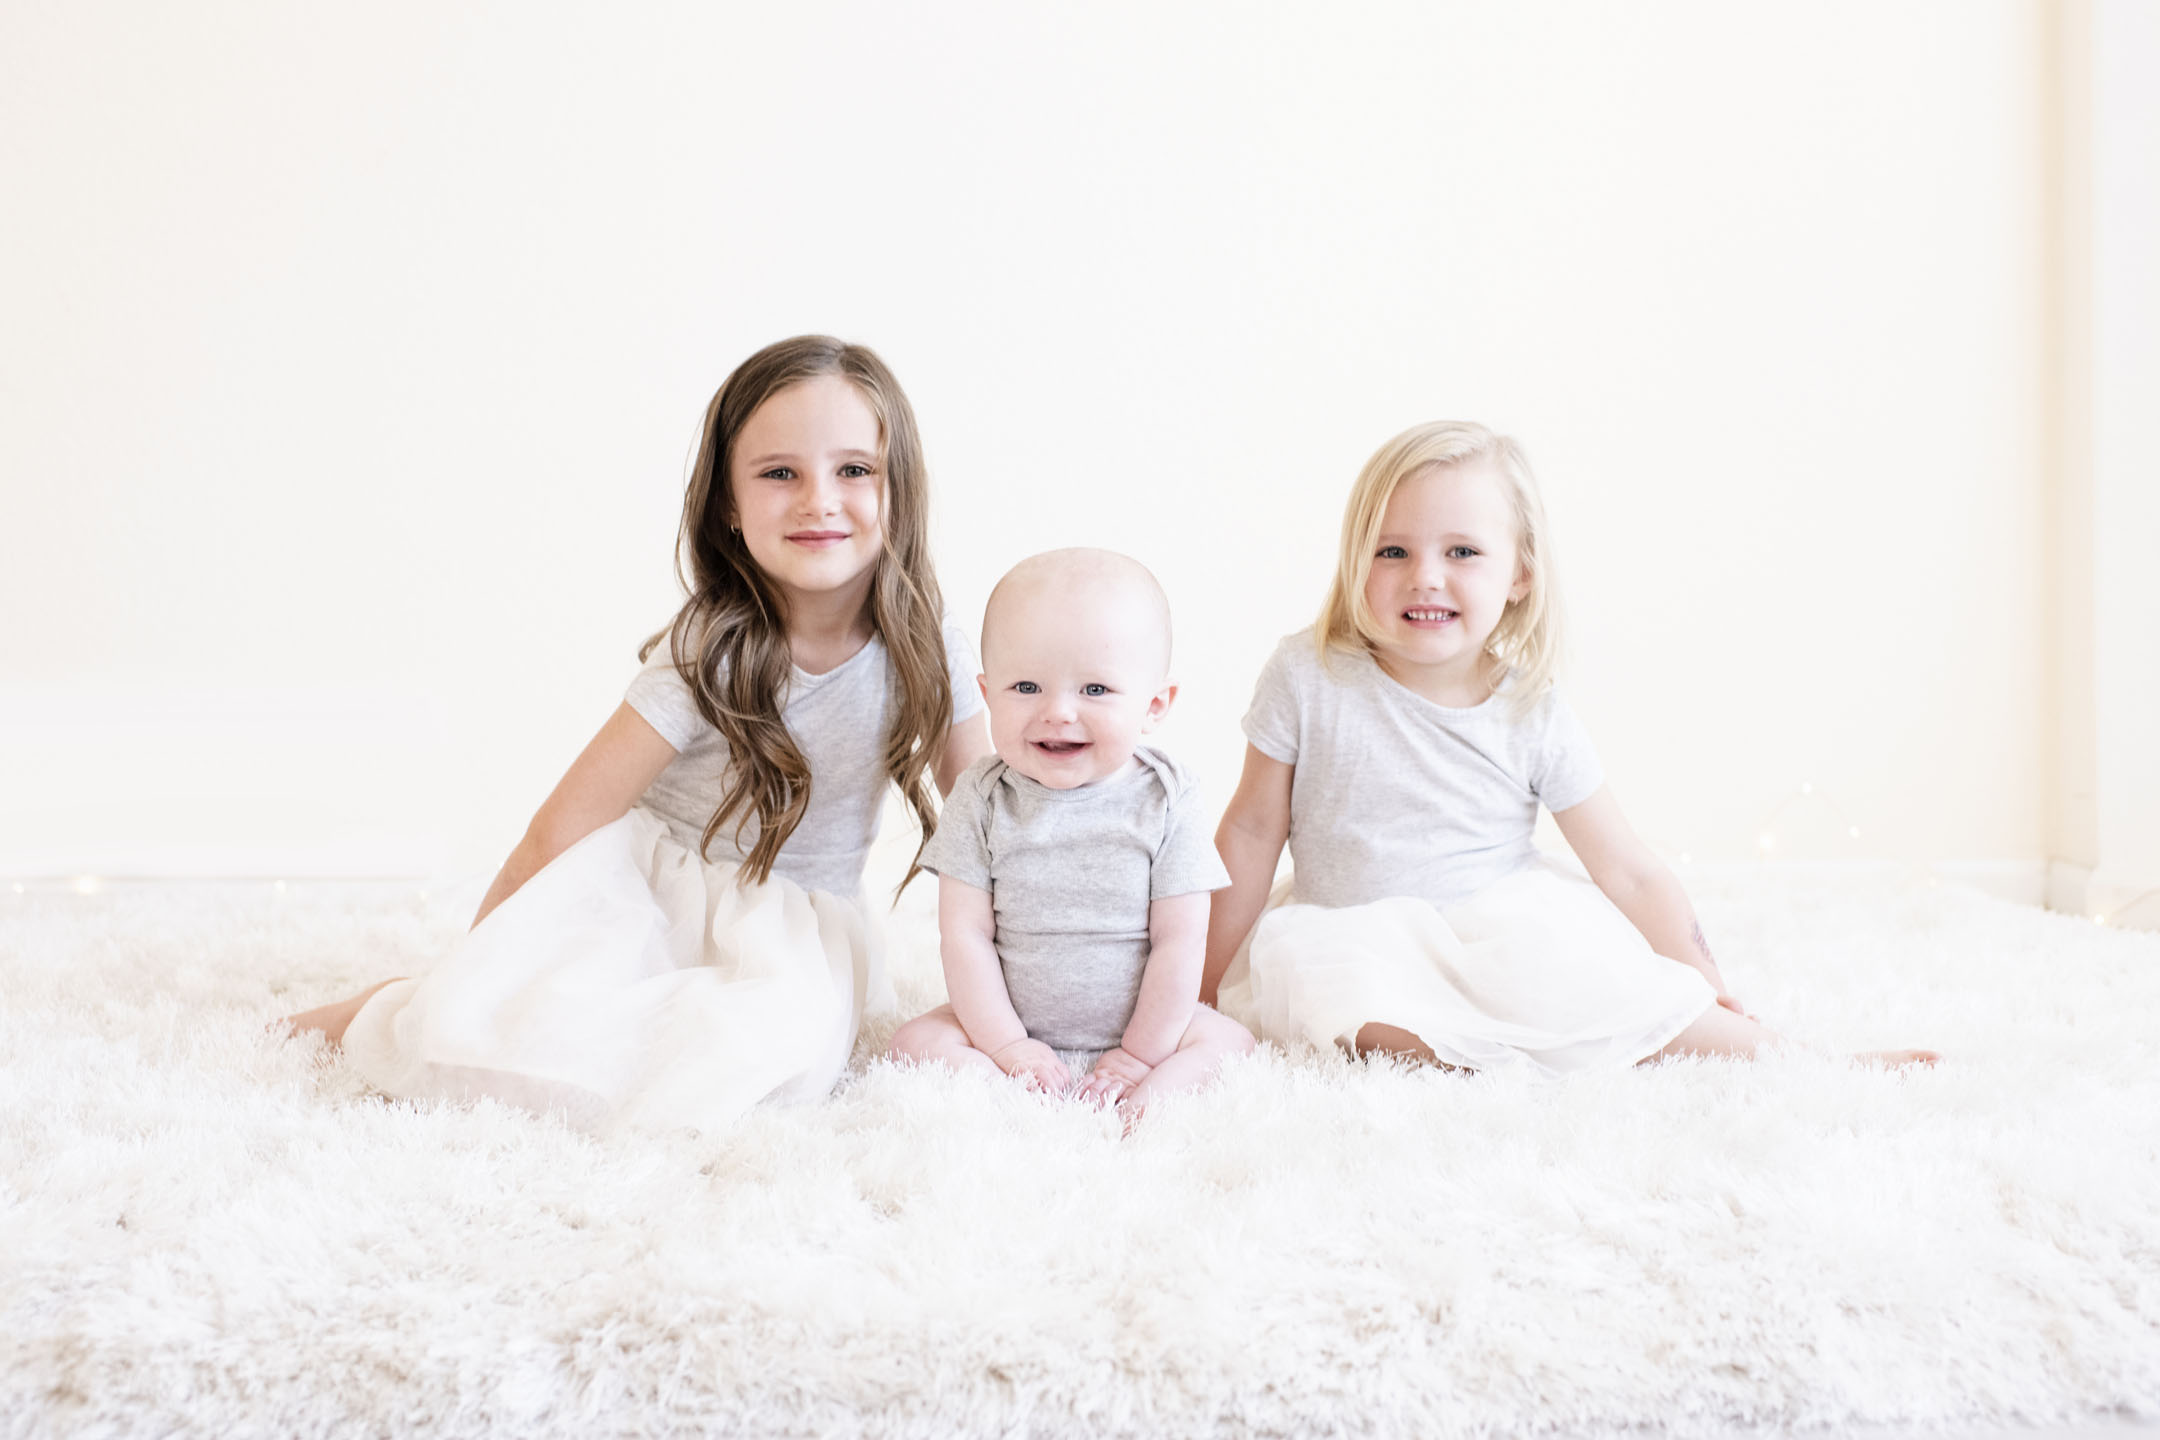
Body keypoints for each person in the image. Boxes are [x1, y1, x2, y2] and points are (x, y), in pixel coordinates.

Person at [282, 335, 991, 1131]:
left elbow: (990, 820)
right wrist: (477, 970)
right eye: (779, 473)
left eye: (854, 469)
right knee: (509, 1050)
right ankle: (387, 1007)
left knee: (761, 1071)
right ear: (728, 505)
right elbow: (563, 825)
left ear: (901, 488)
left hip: (795, 927)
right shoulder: (711, 649)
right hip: (653, 901)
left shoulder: (927, 641)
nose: (819, 500)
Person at [1202, 422, 1936, 1071]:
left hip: (1495, 930)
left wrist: (1702, 983)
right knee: (1350, 1011)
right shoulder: (1308, 674)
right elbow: (1252, 830)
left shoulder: (1529, 708)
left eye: (1462, 551)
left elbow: (1628, 869)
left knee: (1592, 990)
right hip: (1351, 930)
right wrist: (1198, 992)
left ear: (1520, 573)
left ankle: (1798, 1057)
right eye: (1392, 550)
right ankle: (1485, 1053)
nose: (1425, 577)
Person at [888, 549, 1255, 1121]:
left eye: (1095, 690)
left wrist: (1139, 1055)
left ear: (1155, 705)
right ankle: (1007, 1094)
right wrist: (1006, 1045)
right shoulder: (981, 797)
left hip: (1142, 1026)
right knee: (913, 1041)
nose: (1058, 711)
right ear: (987, 693)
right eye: (1026, 686)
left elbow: (1181, 941)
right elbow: (964, 935)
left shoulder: (1168, 798)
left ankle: (1144, 1105)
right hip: (1012, 1021)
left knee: (1232, 1042)